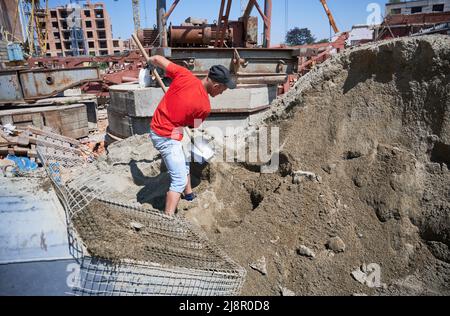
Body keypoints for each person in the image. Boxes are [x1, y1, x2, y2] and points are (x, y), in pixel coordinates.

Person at [148, 55, 236, 216]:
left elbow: (158, 58)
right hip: (166, 137)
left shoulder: (184, 74)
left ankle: (188, 195)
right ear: (216, 85)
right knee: (179, 180)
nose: (222, 93)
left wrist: (150, 61)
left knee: (184, 160)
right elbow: (191, 126)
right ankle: (168, 218)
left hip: (157, 126)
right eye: (223, 89)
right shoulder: (204, 107)